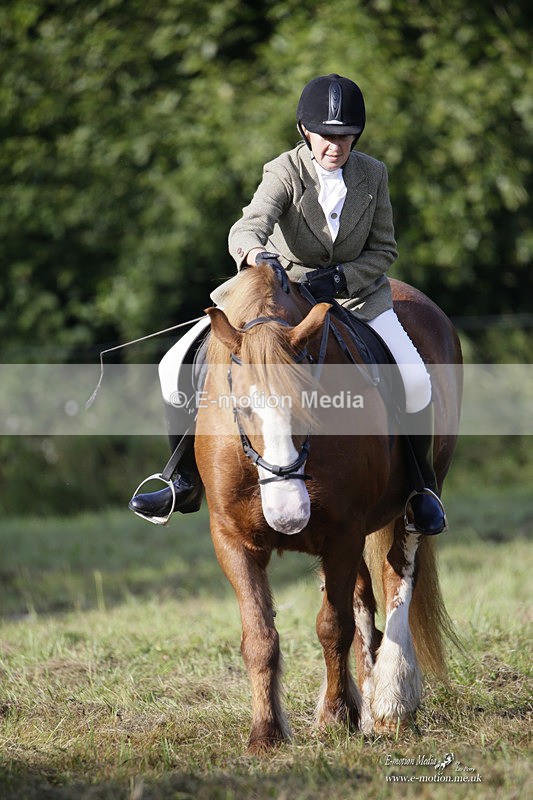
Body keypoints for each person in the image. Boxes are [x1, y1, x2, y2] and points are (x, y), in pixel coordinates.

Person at [130, 73, 446, 534]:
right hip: (283, 297)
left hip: (357, 298)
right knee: (171, 364)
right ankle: (180, 476)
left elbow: (384, 251)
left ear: (356, 134)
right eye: (325, 135)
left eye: (344, 136)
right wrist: (260, 256)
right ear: (305, 131)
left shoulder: (373, 174)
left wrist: (341, 277)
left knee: (416, 380)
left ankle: (420, 487)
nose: (335, 146)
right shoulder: (283, 170)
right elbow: (247, 227)